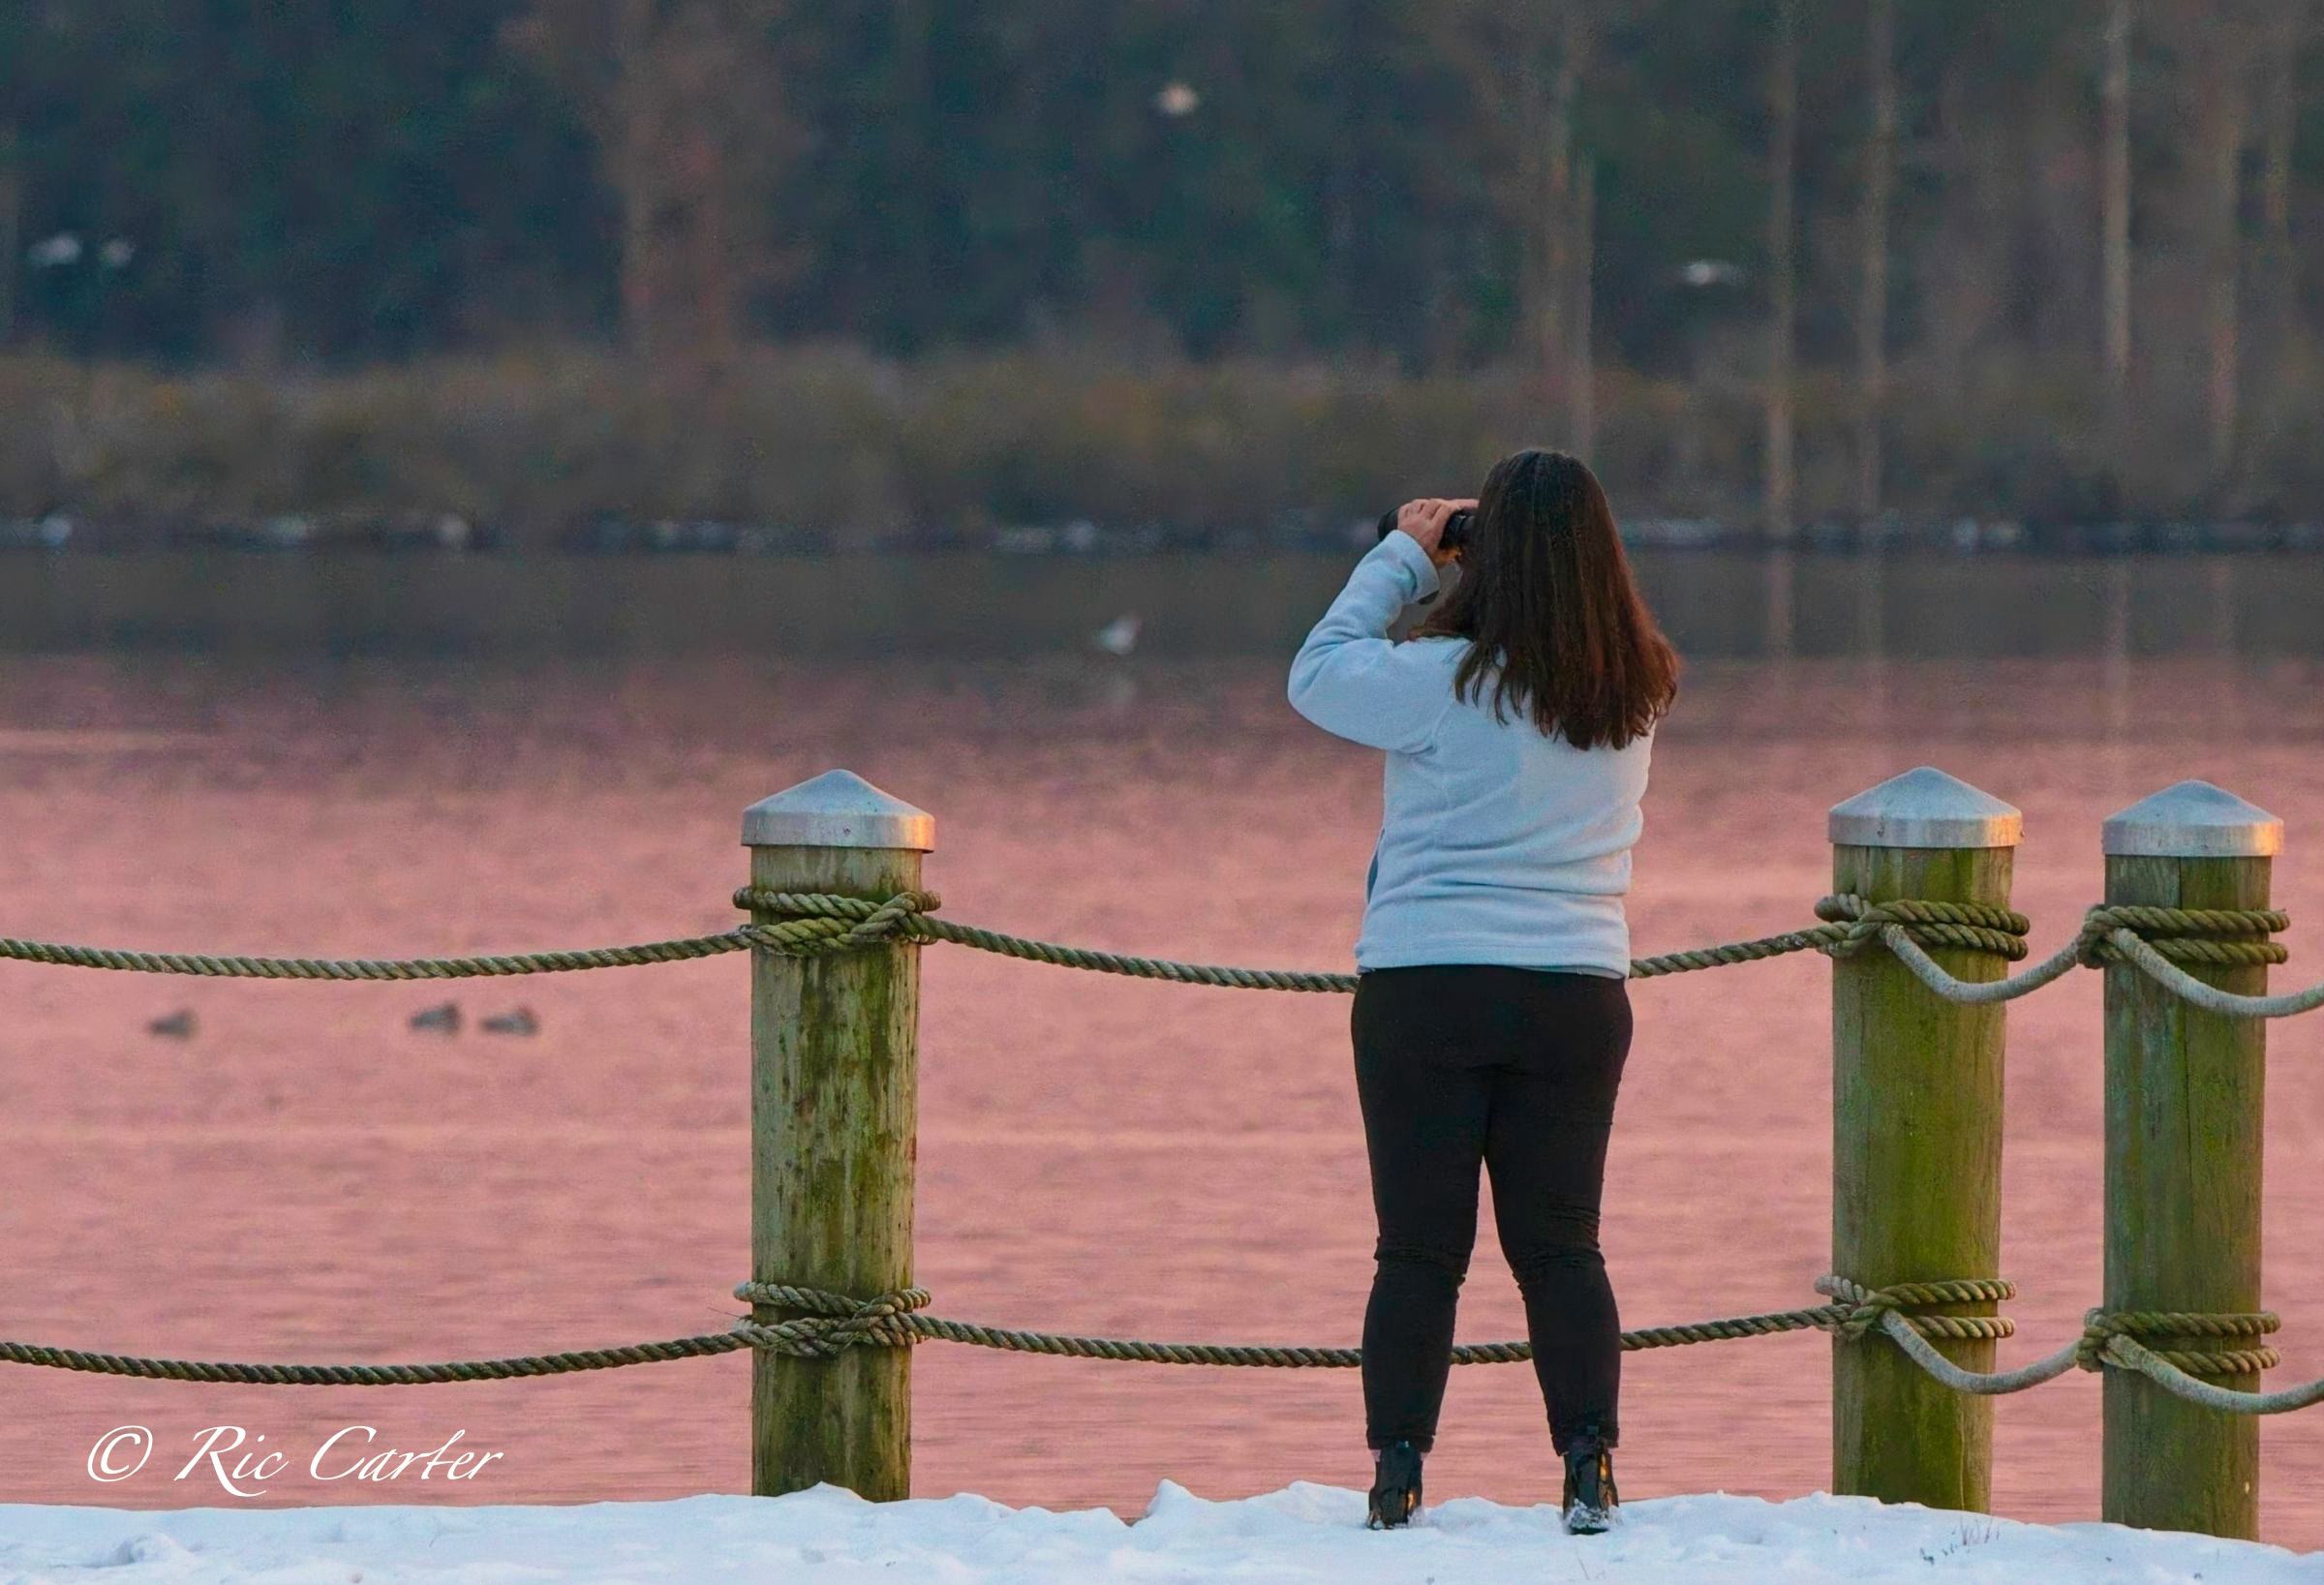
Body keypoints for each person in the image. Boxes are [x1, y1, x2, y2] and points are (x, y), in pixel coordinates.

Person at [1286, 449, 1681, 1537]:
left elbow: (1318, 673)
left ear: (1488, 554)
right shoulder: (1635, 690)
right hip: (1576, 995)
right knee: (1562, 1245)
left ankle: (1397, 1472)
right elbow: (1561, 626)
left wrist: (1406, 556)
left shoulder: (1439, 681)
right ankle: (1589, 1463)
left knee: (1420, 1249)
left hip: (1427, 987)